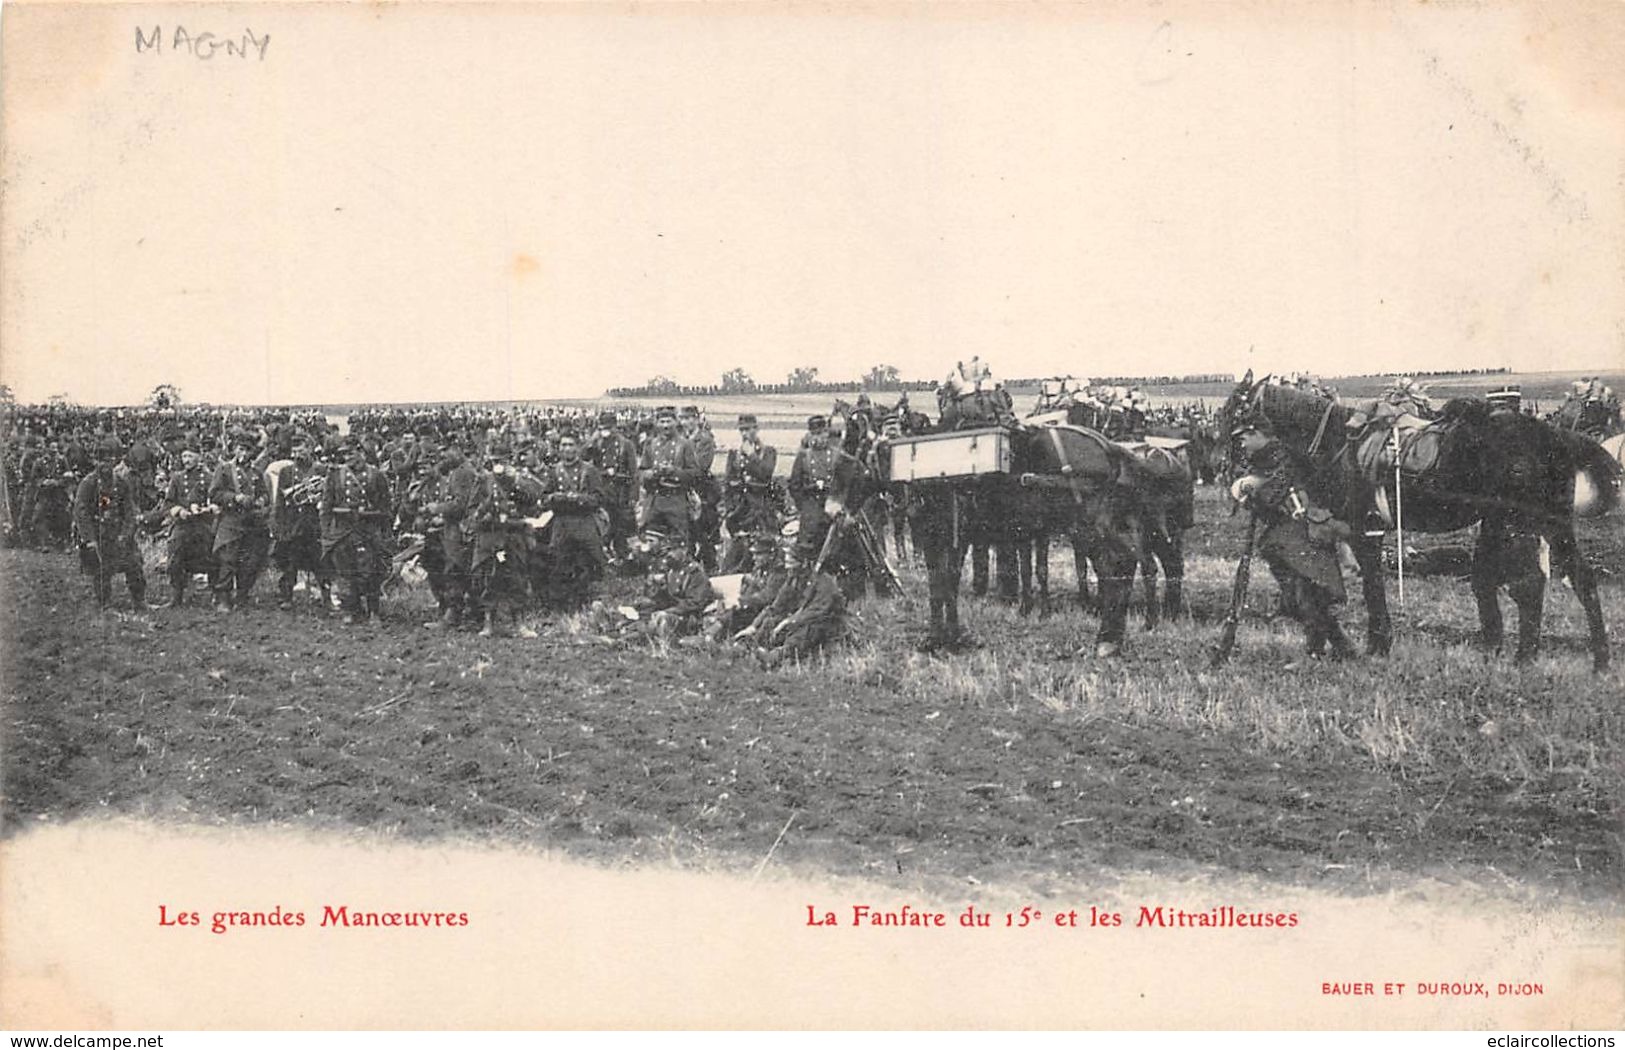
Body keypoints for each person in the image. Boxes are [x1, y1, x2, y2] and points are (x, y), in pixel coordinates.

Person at [1230, 421, 1357, 660]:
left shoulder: (1284, 458)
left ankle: (1322, 651)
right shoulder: (1269, 458)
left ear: (1258, 434)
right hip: (1289, 538)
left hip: (1301, 535)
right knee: (1303, 596)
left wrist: (1250, 492)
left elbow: (1272, 496)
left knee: (1305, 596)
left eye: (1245, 437)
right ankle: (1338, 647)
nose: (1242, 443)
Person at [320, 437, 393, 625]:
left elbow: (386, 505)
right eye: (344, 454)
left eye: (351, 452)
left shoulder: (376, 475)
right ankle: (351, 609)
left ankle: (373, 611)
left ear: (361, 451)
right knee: (345, 571)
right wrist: (327, 531)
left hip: (367, 530)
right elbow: (326, 505)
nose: (348, 457)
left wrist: (382, 529)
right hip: (343, 531)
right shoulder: (335, 475)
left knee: (370, 571)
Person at [71, 436, 147, 609]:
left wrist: (126, 534)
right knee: (101, 570)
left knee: (134, 564)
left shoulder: (121, 483)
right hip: (98, 534)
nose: (105, 465)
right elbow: (81, 513)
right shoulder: (88, 483)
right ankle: (105, 603)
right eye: (101, 461)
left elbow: (129, 511)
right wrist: (89, 539)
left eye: (109, 461)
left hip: (118, 533)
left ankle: (140, 600)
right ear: (95, 462)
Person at [539, 431, 608, 610]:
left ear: (578, 447)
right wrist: (558, 498)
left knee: (590, 562)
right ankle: (560, 604)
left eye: (571, 445)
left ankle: (589, 602)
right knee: (558, 562)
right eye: (563, 445)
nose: (567, 449)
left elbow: (598, 498)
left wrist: (578, 498)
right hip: (562, 523)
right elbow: (544, 499)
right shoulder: (554, 471)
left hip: (584, 521)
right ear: (558, 448)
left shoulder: (589, 470)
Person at [209, 431, 271, 611]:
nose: (244, 454)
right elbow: (214, 494)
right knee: (228, 559)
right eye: (241, 449)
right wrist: (234, 498)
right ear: (235, 449)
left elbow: (265, 495)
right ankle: (223, 597)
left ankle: (242, 595)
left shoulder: (257, 472)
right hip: (231, 520)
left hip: (251, 522)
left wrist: (261, 501)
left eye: (248, 450)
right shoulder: (225, 470)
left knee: (250, 561)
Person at [270, 434, 332, 611]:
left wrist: (319, 495)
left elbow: (328, 494)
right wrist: (278, 525)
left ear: (310, 449)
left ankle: (327, 597)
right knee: (291, 562)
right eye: (294, 451)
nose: (297, 454)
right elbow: (280, 500)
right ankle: (286, 597)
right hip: (294, 523)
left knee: (321, 562)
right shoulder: (286, 472)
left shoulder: (320, 469)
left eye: (301, 450)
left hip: (315, 523)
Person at [158, 443, 217, 607]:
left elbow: (215, 500)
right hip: (183, 525)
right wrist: (179, 511)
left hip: (203, 524)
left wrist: (206, 509)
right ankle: (176, 597)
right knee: (175, 554)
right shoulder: (177, 478)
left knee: (213, 554)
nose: (187, 460)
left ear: (199, 457)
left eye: (190, 456)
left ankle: (215, 595)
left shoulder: (209, 477)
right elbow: (168, 504)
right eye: (184, 456)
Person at [720, 413, 780, 573]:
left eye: (749, 429)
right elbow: (728, 483)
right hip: (741, 510)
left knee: (762, 547)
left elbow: (766, 473)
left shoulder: (768, 452)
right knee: (737, 550)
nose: (746, 434)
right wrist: (730, 508)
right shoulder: (734, 454)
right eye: (742, 430)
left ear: (757, 429)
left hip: (761, 507)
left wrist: (752, 456)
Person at [638, 406, 700, 545]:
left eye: (669, 421)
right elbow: (641, 472)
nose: (665, 426)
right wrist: (651, 474)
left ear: (675, 422)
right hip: (654, 502)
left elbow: (695, 474)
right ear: (657, 423)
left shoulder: (685, 444)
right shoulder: (651, 444)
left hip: (676, 501)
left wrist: (674, 471)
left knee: (678, 544)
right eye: (662, 422)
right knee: (650, 543)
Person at [588, 411, 640, 562]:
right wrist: (593, 439)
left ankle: (621, 554)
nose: (606, 431)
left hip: (620, 490)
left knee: (621, 525)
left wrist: (633, 495)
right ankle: (603, 553)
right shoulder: (596, 443)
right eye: (603, 428)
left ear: (615, 427)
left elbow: (634, 472)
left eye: (609, 428)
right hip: (602, 489)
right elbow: (584, 456)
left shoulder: (626, 444)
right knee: (604, 522)